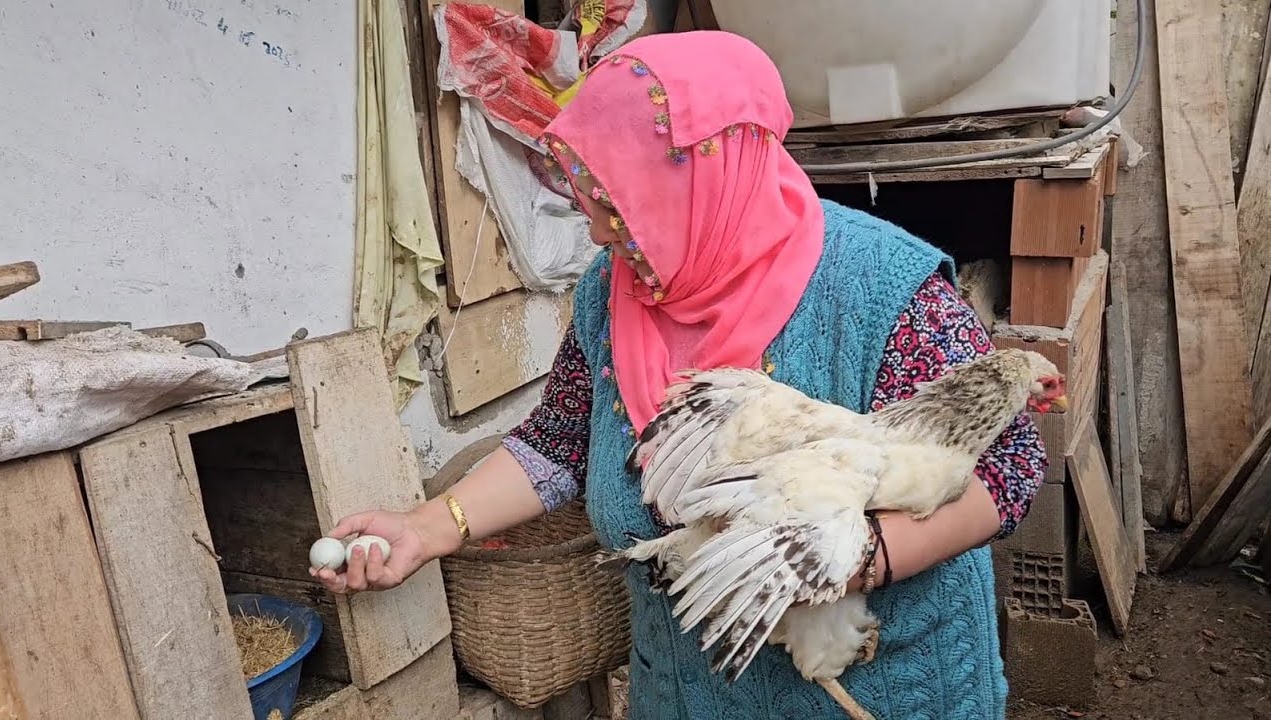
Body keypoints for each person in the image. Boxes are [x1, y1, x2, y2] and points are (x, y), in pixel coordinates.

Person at [312, 30, 1045, 719]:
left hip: (874, 690)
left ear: (707, 179)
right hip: (691, 690)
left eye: (618, 207)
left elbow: (1008, 467)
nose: (598, 230)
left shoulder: (882, 290)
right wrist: (430, 527)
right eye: (589, 201)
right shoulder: (613, 293)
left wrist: (843, 561)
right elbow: (562, 442)